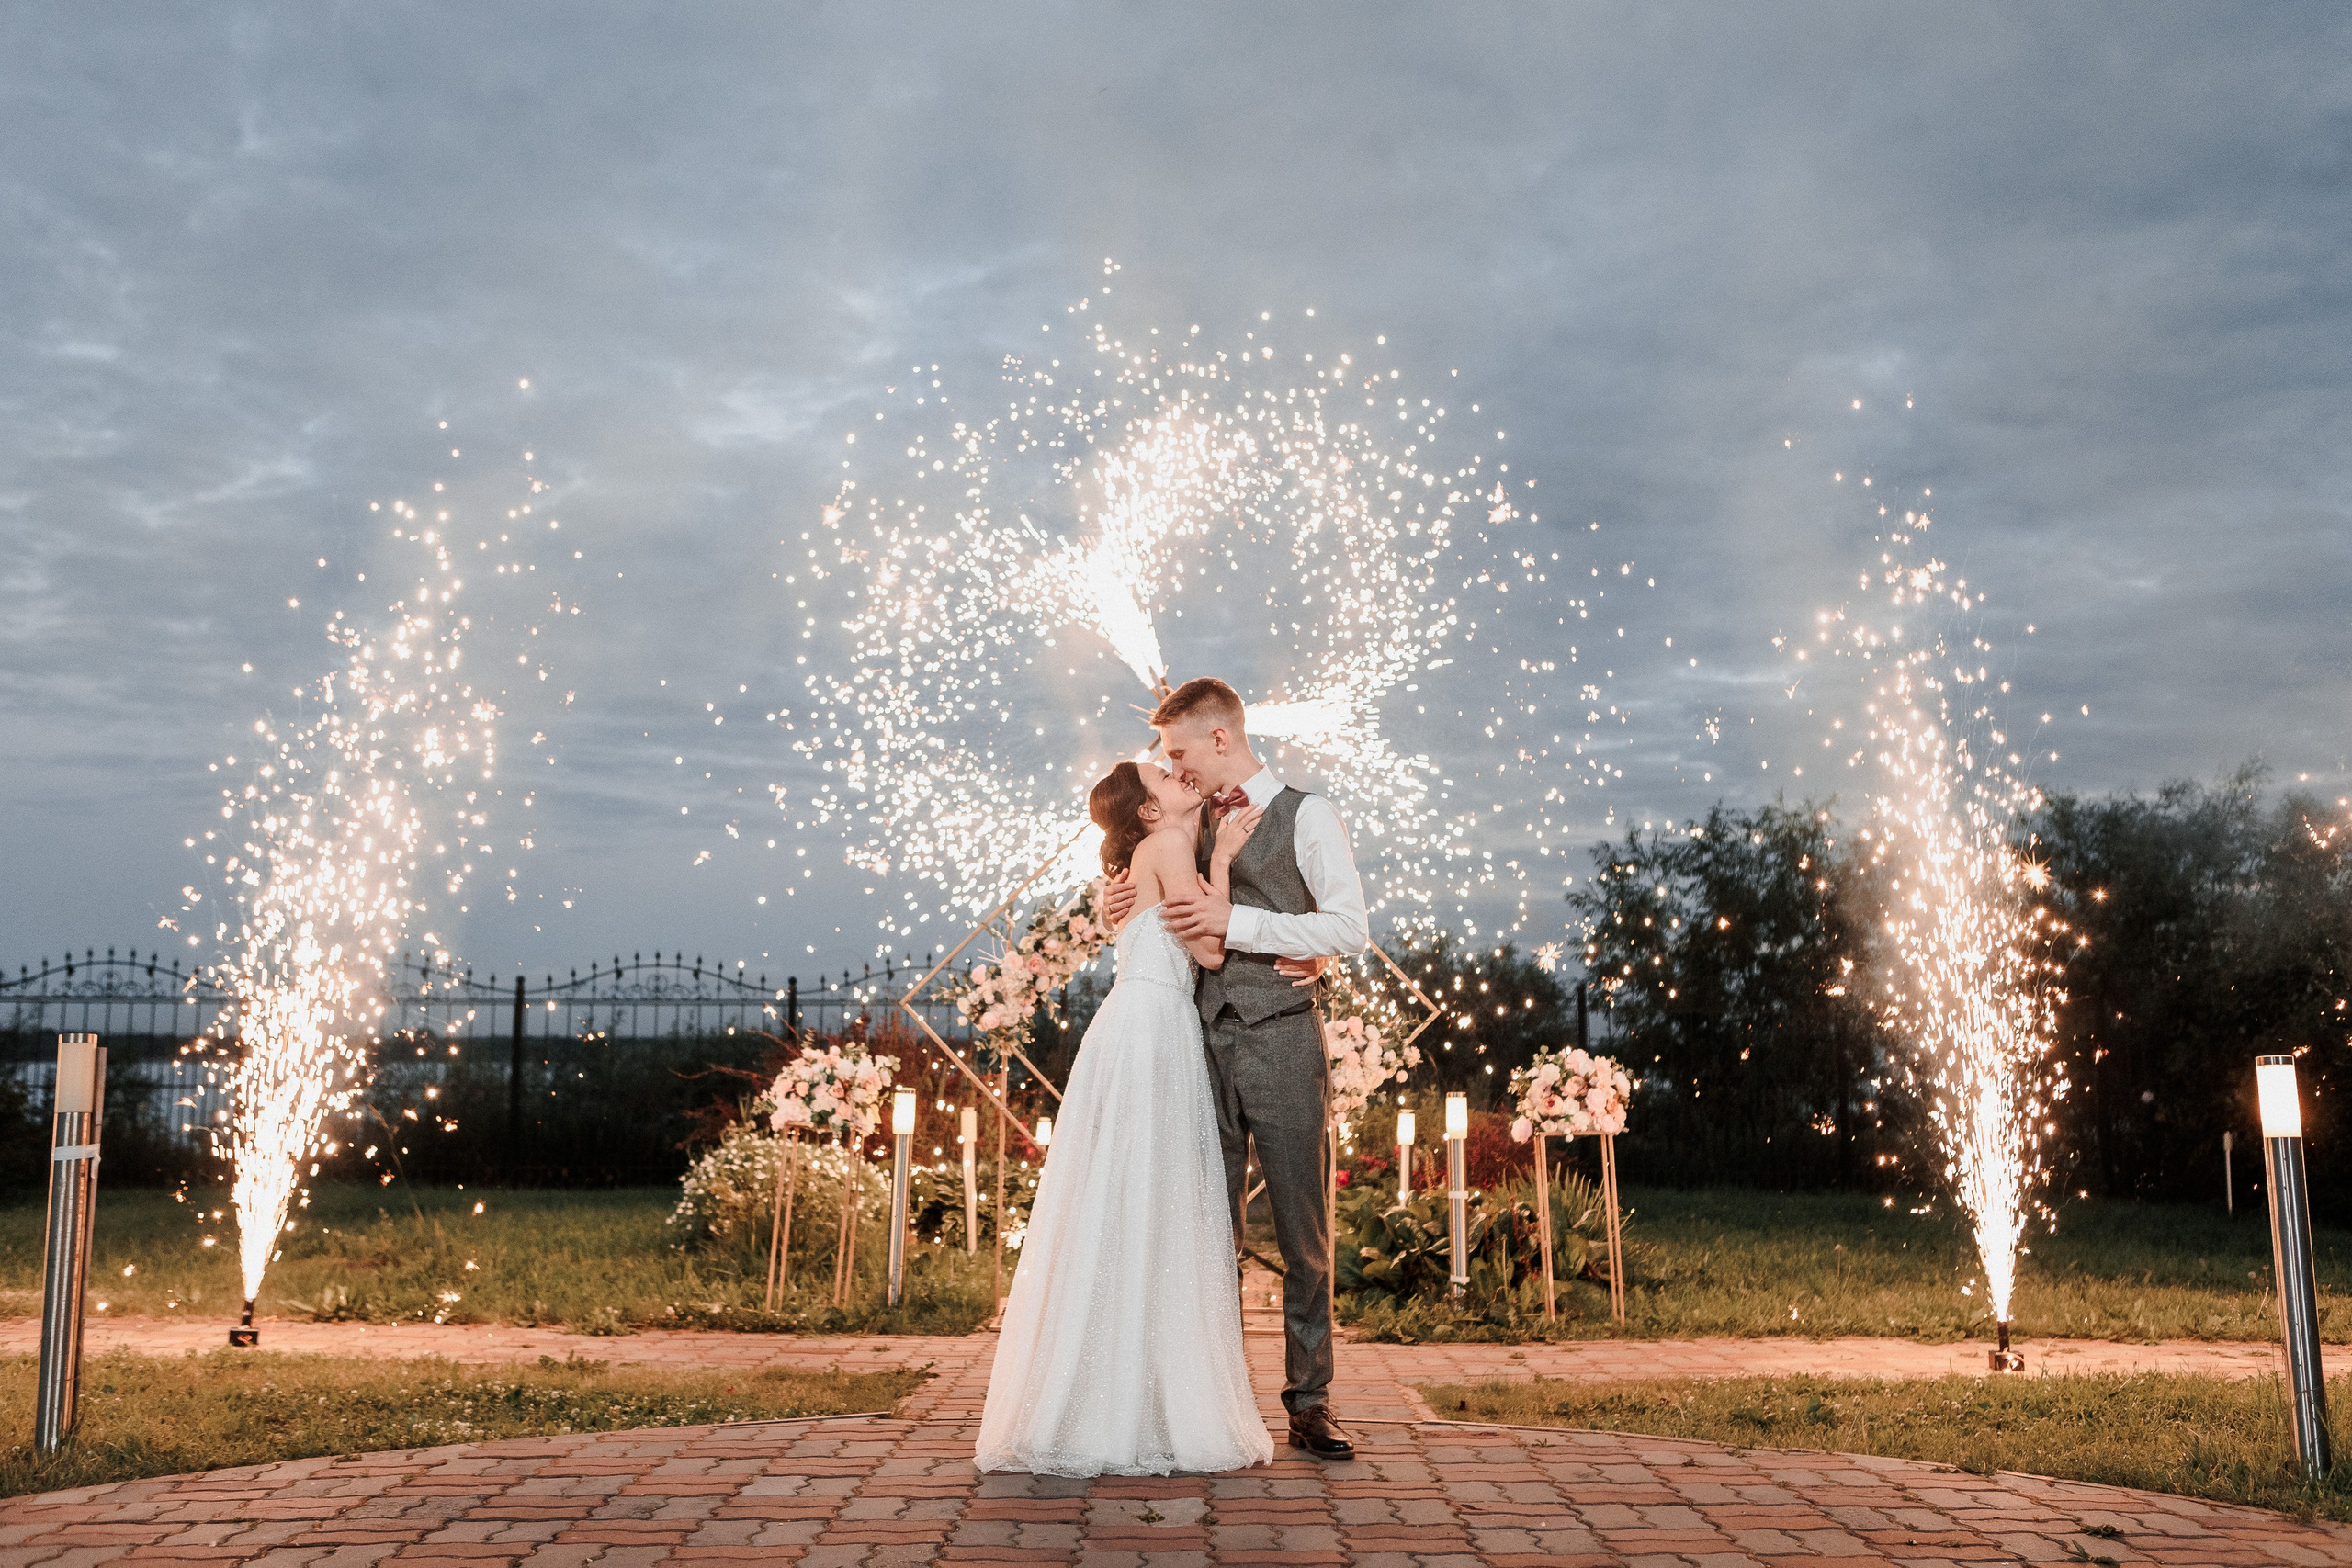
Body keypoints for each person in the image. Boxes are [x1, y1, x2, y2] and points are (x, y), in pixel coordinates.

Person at [973, 757, 1276, 1477]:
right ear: (1146, 810)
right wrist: (1227, 860)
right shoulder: (1170, 847)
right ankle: (1146, 1404)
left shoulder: (1150, 849)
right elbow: (1207, 947)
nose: (1179, 776)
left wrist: (1207, 833)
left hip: (1133, 1022)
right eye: (1164, 779)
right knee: (1158, 1198)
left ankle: (1102, 1396)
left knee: (1119, 1197)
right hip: (1153, 1028)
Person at [1102, 675, 1368, 1461]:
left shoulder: (1307, 812)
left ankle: (1310, 1400)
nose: (1172, 764)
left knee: (1302, 1230)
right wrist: (1116, 899)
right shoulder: (1184, 821)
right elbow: (1149, 884)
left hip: (1283, 1038)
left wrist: (1241, 922)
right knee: (1202, 1227)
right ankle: (1210, 1401)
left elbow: (1348, 923)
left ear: (1220, 738)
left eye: (1179, 749)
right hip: (1194, 1043)